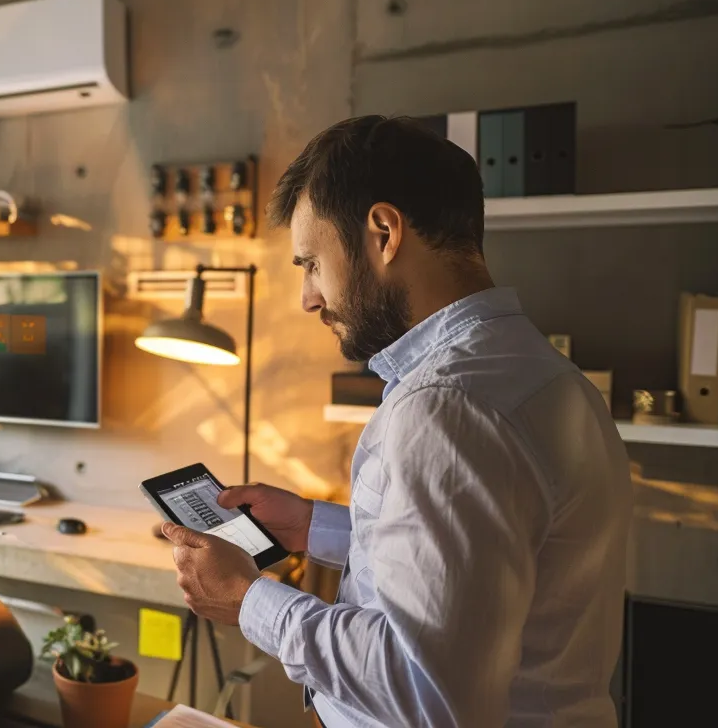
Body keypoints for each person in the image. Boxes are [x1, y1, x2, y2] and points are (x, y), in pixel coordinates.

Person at [162, 116, 631, 727]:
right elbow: (478, 568)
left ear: (383, 232)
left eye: (310, 263)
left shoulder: (447, 406)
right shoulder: (543, 374)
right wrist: (315, 527)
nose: (307, 298)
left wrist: (250, 600)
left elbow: (427, 688)